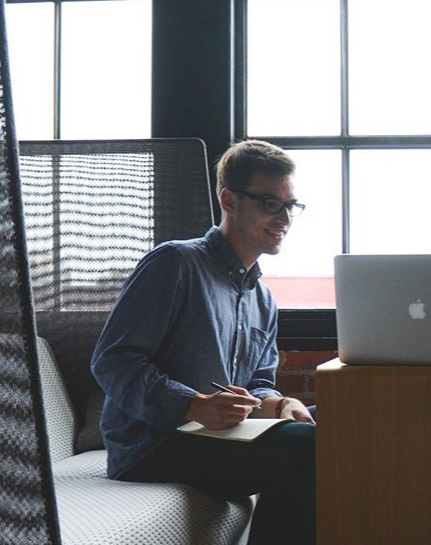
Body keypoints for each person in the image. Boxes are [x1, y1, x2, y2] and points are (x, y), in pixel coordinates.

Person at [91, 140, 316, 544]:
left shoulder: (262, 299)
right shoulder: (175, 263)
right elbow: (113, 360)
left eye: (291, 206)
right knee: (310, 447)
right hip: (155, 444)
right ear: (230, 201)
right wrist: (193, 405)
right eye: (270, 203)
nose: (285, 218)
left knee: (341, 425)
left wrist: (278, 403)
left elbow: (259, 382)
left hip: (220, 438)